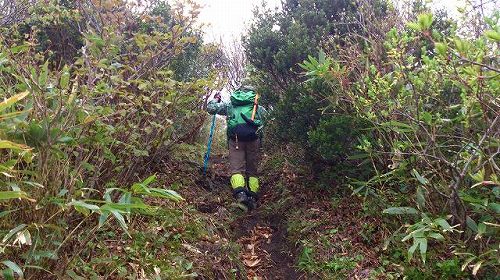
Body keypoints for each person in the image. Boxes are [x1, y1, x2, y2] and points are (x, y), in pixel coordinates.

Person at [207, 82, 266, 210]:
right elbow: (267, 119)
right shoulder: (256, 105)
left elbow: (211, 109)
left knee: (236, 169)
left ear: (239, 91)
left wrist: (215, 99)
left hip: (235, 140)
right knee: (252, 170)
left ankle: (240, 195)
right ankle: (252, 197)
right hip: (253, 139)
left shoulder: (231, 104)